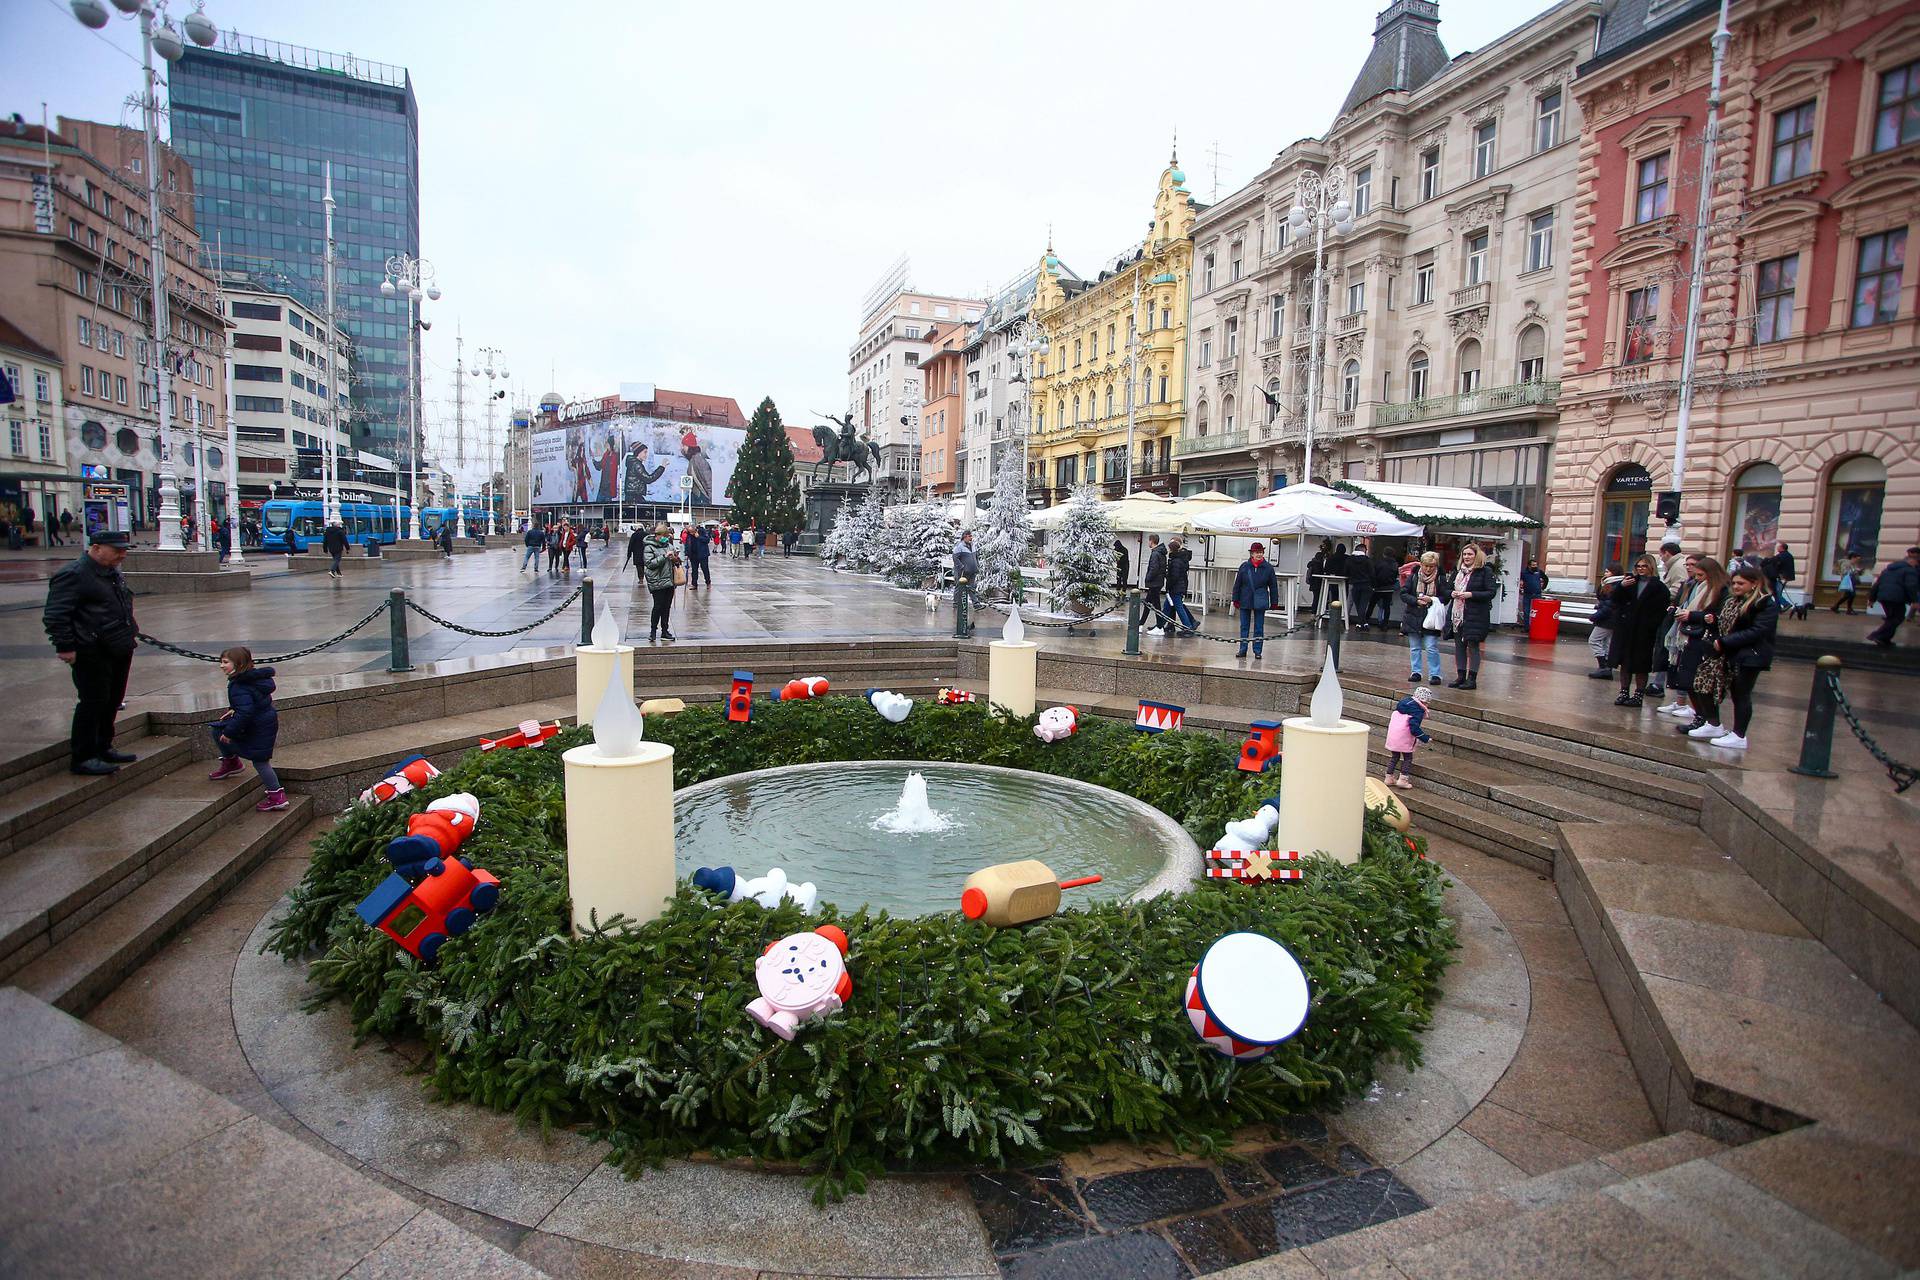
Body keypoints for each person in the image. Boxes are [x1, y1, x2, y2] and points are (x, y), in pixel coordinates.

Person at [43, 531, 139, 776]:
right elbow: (56, 615)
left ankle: (103, 746)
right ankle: (83, 756)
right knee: (93, 701)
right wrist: (64, 646)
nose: (122, 554)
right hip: (91, 649)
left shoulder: (110, 572)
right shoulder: (74, 574)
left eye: (124, 549)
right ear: (96, 548)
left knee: (113, 699)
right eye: (116, 550)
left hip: (117, 645)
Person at [1691, 562, 1778, 750]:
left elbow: (1758, 631)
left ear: (1754, 584)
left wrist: (1725, 641)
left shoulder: (1763, 603)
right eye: (1734, 583)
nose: (1736, 587)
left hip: (1750, 655)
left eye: (1741, 583)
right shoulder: (1732, 601)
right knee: (1703, 682)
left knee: (1741, 694)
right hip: (1726, 652)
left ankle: (1739, 735)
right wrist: (1713, 623)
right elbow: (1723, 622)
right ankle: (1713, 724)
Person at [205, 646, 287, 811]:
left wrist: (230, 732)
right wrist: (233, 709)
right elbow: (250, 702)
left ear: (238, 663)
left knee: (260, 761)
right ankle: (231, 763)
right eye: (221, 662)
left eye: (225, 662)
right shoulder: (252, 679)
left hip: (257, 725)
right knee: (217, 730)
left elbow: (246, 712)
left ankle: (277, 797)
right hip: (264, 721)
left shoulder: (239, 685)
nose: (221, 665)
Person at [1670, 557, 1729, 733]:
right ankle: (1700, 718)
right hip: (1691, 637)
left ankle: (1709, 720)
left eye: (1701, 575)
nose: (1697, 578)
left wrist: (1694, 616)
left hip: (1706, 640)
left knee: (1702, 684)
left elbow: (1715, 616)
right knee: (1688, 681)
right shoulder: (1695, 586)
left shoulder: (1721, 590)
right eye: (1696, 575)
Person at [1609, 553, 1672, 707]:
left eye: (1644, 566)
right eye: (1638, 566)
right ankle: (1624, 691)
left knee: (1640, 664)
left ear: (1651, 567)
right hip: (1625, 628)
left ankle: (1638, 694)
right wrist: (1621, 587)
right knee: (1624, 662)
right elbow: (1616, 599)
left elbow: (1660, 610)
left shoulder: (1659, 587)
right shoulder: (1630, 582)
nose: (1641, 569)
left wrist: (1649, 625)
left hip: (1644, 631)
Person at [1656, 555, 1706, 718]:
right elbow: (1679, 602)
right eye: (1688, 564)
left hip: (1696, 632)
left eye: (1693, 565)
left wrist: (1690, 615)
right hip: (1681, 628)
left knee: (1690, 670)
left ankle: (1696, 710)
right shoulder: (1688, 584)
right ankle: (1680, 702)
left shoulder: (1707, 587)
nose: (1689, 568)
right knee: (1678, 665)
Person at [1446, 544, 1495, 689]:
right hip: (1457, 614)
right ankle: (1460, 676)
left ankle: (1472, 679)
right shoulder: (1457, 572)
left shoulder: (1484, 571)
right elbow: (1447, 588)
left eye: (1469, 554)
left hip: (1475, 615)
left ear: (1476, 556)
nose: (1466, 557)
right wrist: (1451, 593)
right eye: (1464, 554)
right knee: (1459, 646)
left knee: (1473, 646)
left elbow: (1491, 592)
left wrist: (1471, 594)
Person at [1647, 538, 1688, 697]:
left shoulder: (1677, 566)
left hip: (1671, 611)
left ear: (1667, 553)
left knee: (1665, 647)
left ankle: (1661, 685)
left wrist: (1661, 597)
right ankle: (1659, 683)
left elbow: (1677, 588)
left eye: (1661, 555)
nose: (1661, 558)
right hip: (1671, 609)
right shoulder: (1676, 565)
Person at [1401, 550, 1444, 685]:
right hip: (1414, 615)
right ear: (1421, 564)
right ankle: (1416, 671)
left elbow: (1446, 596)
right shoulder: (1413, 577)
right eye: (1426, 565)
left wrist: (1432, 599)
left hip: (1431, 617)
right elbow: (1403, 593)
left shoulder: (1440, 578)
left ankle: (1435, 674)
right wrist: (1415, 600)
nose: (1428, 569)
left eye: (1431, 566)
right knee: (1414, 647)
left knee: (1431, 646)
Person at [1231, 541, 1279, 659]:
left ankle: (1257, 650)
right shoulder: (1244, 566)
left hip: (1260, 599)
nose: (1259, 554)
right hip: (1245, 599)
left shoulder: (1268, 568)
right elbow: (1237, 584)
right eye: (1257, 552)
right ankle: (1243, 649)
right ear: (1252, 554)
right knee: (1244, 626)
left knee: (1259, 627)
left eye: (1261, 552)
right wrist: (1235, 599)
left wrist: (1274, 602)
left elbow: (1273, 586)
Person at [1868, 546, 1920, 648]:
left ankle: (1885, 639)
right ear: (1913, 561)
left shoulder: (1889, 569)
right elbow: (1911, 586)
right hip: (1896, 597)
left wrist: (1872, 598)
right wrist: (1915, 600)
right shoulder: (1910, 570)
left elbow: (1877, 584)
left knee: (1892, 618)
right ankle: (1877, 636)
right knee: (1897, 618)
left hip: (1884, 596)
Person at [1383, 686, 1434, 789]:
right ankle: (1403, 780)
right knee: (1407, 758)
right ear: (1424, 701)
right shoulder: (1417, 711)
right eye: (1428, 703)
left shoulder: (1403, 705)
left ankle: (1389, 777)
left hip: (1393, 737)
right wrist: (1425, 738)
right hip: (1404, 739)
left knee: (1395, 757)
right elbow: (1414, 728)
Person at [643, 521, 681, 641]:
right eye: (664, 536)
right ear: (658, 535)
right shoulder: (649, 547)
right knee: (658, 606)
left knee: (666, 607)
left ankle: (665, 631)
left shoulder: (669, 546)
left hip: (669, 581)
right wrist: (664, 557)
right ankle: (653, 631)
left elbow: (677, 562)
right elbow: (649, 564)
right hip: (657, 581)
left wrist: (675, 558)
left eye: (667, 536)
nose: (666, 538)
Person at [1762, 540, 1802, 619]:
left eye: (1778, 547)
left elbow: (1773, 562)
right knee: (1775, 593)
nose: (1777, 548)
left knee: (1777, 593)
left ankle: (1785, 604)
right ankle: (1778, 609)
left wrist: (1766, 561)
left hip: (1781, 577)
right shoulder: (1787, 555)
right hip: (1784, 577)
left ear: (1782, 548)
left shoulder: (1782, 556)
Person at [1164, 537, 1197, 635]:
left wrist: (1168, 583)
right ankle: (1161, 625)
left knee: (1178, 607)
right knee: (1168, 607)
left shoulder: (1176, 561)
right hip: (1178, 587)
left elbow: (1174, 576)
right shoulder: (1179, 558)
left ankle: (1188, 627)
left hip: (1176, 588)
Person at [952, 530, 979, 633]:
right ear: (964, 537)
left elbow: (976, 557)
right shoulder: (959, 546)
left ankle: (976, 603)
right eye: (969, 536)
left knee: (971, 587)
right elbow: (955, 557)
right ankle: (956, 603)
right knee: (959, 587)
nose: (970, 538)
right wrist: (961, 566)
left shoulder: (973, 545)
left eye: (971, 536)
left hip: (972, 570)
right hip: (963, 572)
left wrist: (977, 566)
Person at [1141, 534, 1168, 634]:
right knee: (1150, 604)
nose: (1148, 543)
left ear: (1151, 541)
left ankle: (1159, 627)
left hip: (1154, 583)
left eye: (1149, 541)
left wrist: (1148, 578)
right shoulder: (1161, 553)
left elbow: (1154, 568)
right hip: (1158, 582)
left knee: (1154, 605)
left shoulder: (1155, 553)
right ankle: (1141, 623)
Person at [1344, 544, 1374, 630]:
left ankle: (1362, 623)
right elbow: (1372, 574)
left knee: (1358, 605)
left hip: (1354, 585)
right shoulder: (1368, 560)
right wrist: (1373, 585)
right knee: (1363, 605)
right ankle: (1363, 623)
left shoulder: (1349, 560)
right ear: (1364, 551)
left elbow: (1345, 572)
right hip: (1366, 585)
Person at [1518, 557, 1548, 630]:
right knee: (1526, 611)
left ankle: (1536, 627)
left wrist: (1543, 587)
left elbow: (1546, 578)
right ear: (1529, 566)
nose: (1535, 566)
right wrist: (1520, 587)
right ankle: (1527, 628)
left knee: (1537, 612)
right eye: (1533, 565)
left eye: (1536, 565)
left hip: (1537, 594)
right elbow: (1520, 580)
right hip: (1527, 594)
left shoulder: (1539, 572)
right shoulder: (1524, 573)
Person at [1369, 552, 1398, 628]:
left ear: (1384, 554)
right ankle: (1385, 624)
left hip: (1379, 588)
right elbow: (1395, 576)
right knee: (1387, 607)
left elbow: (1373, 574)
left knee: (1371, 605)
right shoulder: (1395, 564)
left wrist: (1374, 585)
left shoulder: (1379, 563)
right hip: (1389, 588)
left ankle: (1366, 620)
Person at [684, 521, 712, 588]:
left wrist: (699, 537)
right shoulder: (689, 534)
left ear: (695, 529)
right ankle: (694, 584)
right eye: (690, 532)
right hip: (693, 555)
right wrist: (687, 552)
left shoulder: (702, 531)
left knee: (705, 569)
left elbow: (707, 540)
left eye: (692, 532)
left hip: (703, 554)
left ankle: (708, 582)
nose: (691, 533)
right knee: (694, 570)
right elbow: (687, 543)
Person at [1307, 539, 1331, 615]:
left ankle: (1314, 612)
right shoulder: (1324, 560)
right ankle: (1320, 611)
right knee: (1322, 597)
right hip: (1321, 582)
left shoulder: (1313, 561)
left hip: (1314, 582)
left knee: (1316, 597)